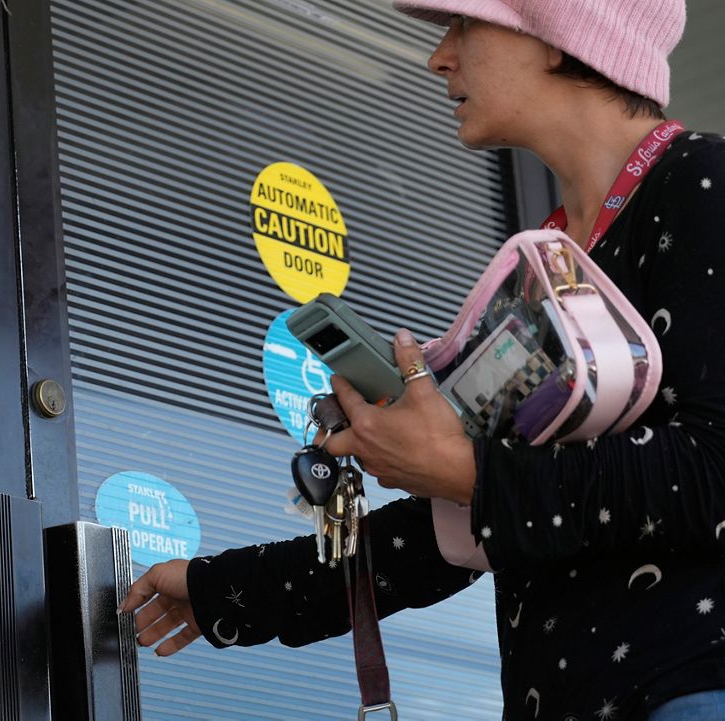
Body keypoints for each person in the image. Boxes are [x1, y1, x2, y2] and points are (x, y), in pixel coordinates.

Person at [120, 1, 725, 719]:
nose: (439, 56)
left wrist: (466, 469)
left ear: (562, 41)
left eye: (465, 25)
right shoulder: (556, 257)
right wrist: (226, 591)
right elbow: (460, 532)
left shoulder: (700, 182)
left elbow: (715, 470)